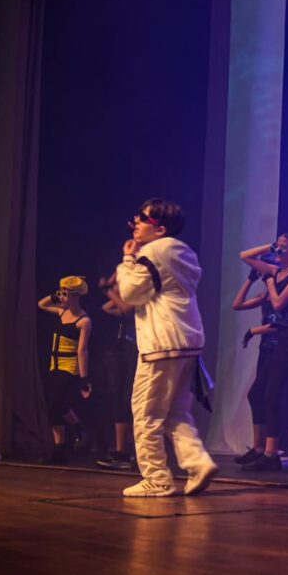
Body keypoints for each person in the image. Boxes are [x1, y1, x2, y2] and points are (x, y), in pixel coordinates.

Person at [115, 199, 217, 497]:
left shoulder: (154, 252)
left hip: (161, 344)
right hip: (187, 343)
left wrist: (127, 260)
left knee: (146, 413)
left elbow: (130, 293)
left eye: (142, 218)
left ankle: (157, 477)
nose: (135, 222)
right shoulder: (184, 253)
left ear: (160, 229)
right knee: (176, 411)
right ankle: (198, 463)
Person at [239, 232, 288, 471]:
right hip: (283, 337)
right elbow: (245, 256)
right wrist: (270, 246)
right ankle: (270, 454)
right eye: (278, 246)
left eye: (284, 247)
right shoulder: (275, 271)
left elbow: (279, 303)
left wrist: (270, 283)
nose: (278, 251)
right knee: (270, 394)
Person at [37, 276, 93, 464]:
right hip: (54, 365)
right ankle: (62, 446)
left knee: (56, 404)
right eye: (60, 293)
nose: (62, 297)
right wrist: (55, 296)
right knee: (55, 407)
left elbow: (82, 350)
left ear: (76, 296)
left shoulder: (84, 321)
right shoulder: (62, 312)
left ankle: (73, 433)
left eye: (66, 294)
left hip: (69, 367)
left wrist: (84, 380)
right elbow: (41, 304)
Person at [230, 264, 278, 467]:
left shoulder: (282, 295)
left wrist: (253, 330)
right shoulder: (265, 296)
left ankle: (268, 451)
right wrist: (250, 279)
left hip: (279, 349)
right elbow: (237, 304)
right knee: (257, 395)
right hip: (265, 349)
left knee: (267, 396)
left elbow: (280, 324)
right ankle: (259, 448)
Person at [95, 273, 138, 470]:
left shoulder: (139, 300)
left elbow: (126, 309)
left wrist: (108, 290)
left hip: (137, 352)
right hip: (125, 351)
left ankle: (135, 453)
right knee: (121, 400)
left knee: (133, 401)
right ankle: (122, 452)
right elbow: (107, 307)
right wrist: (115, 290)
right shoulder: (126, 303)